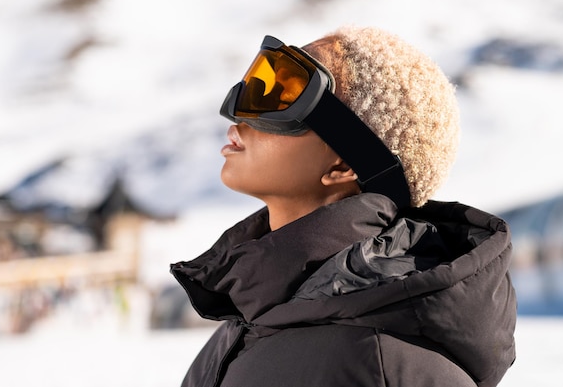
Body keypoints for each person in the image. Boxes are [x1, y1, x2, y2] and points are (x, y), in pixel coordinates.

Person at [170, 26, 516, 387]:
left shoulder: (377, 364)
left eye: (281, 94)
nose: (237, 114)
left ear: (342, 165)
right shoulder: (252, 320)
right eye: (260, 80)